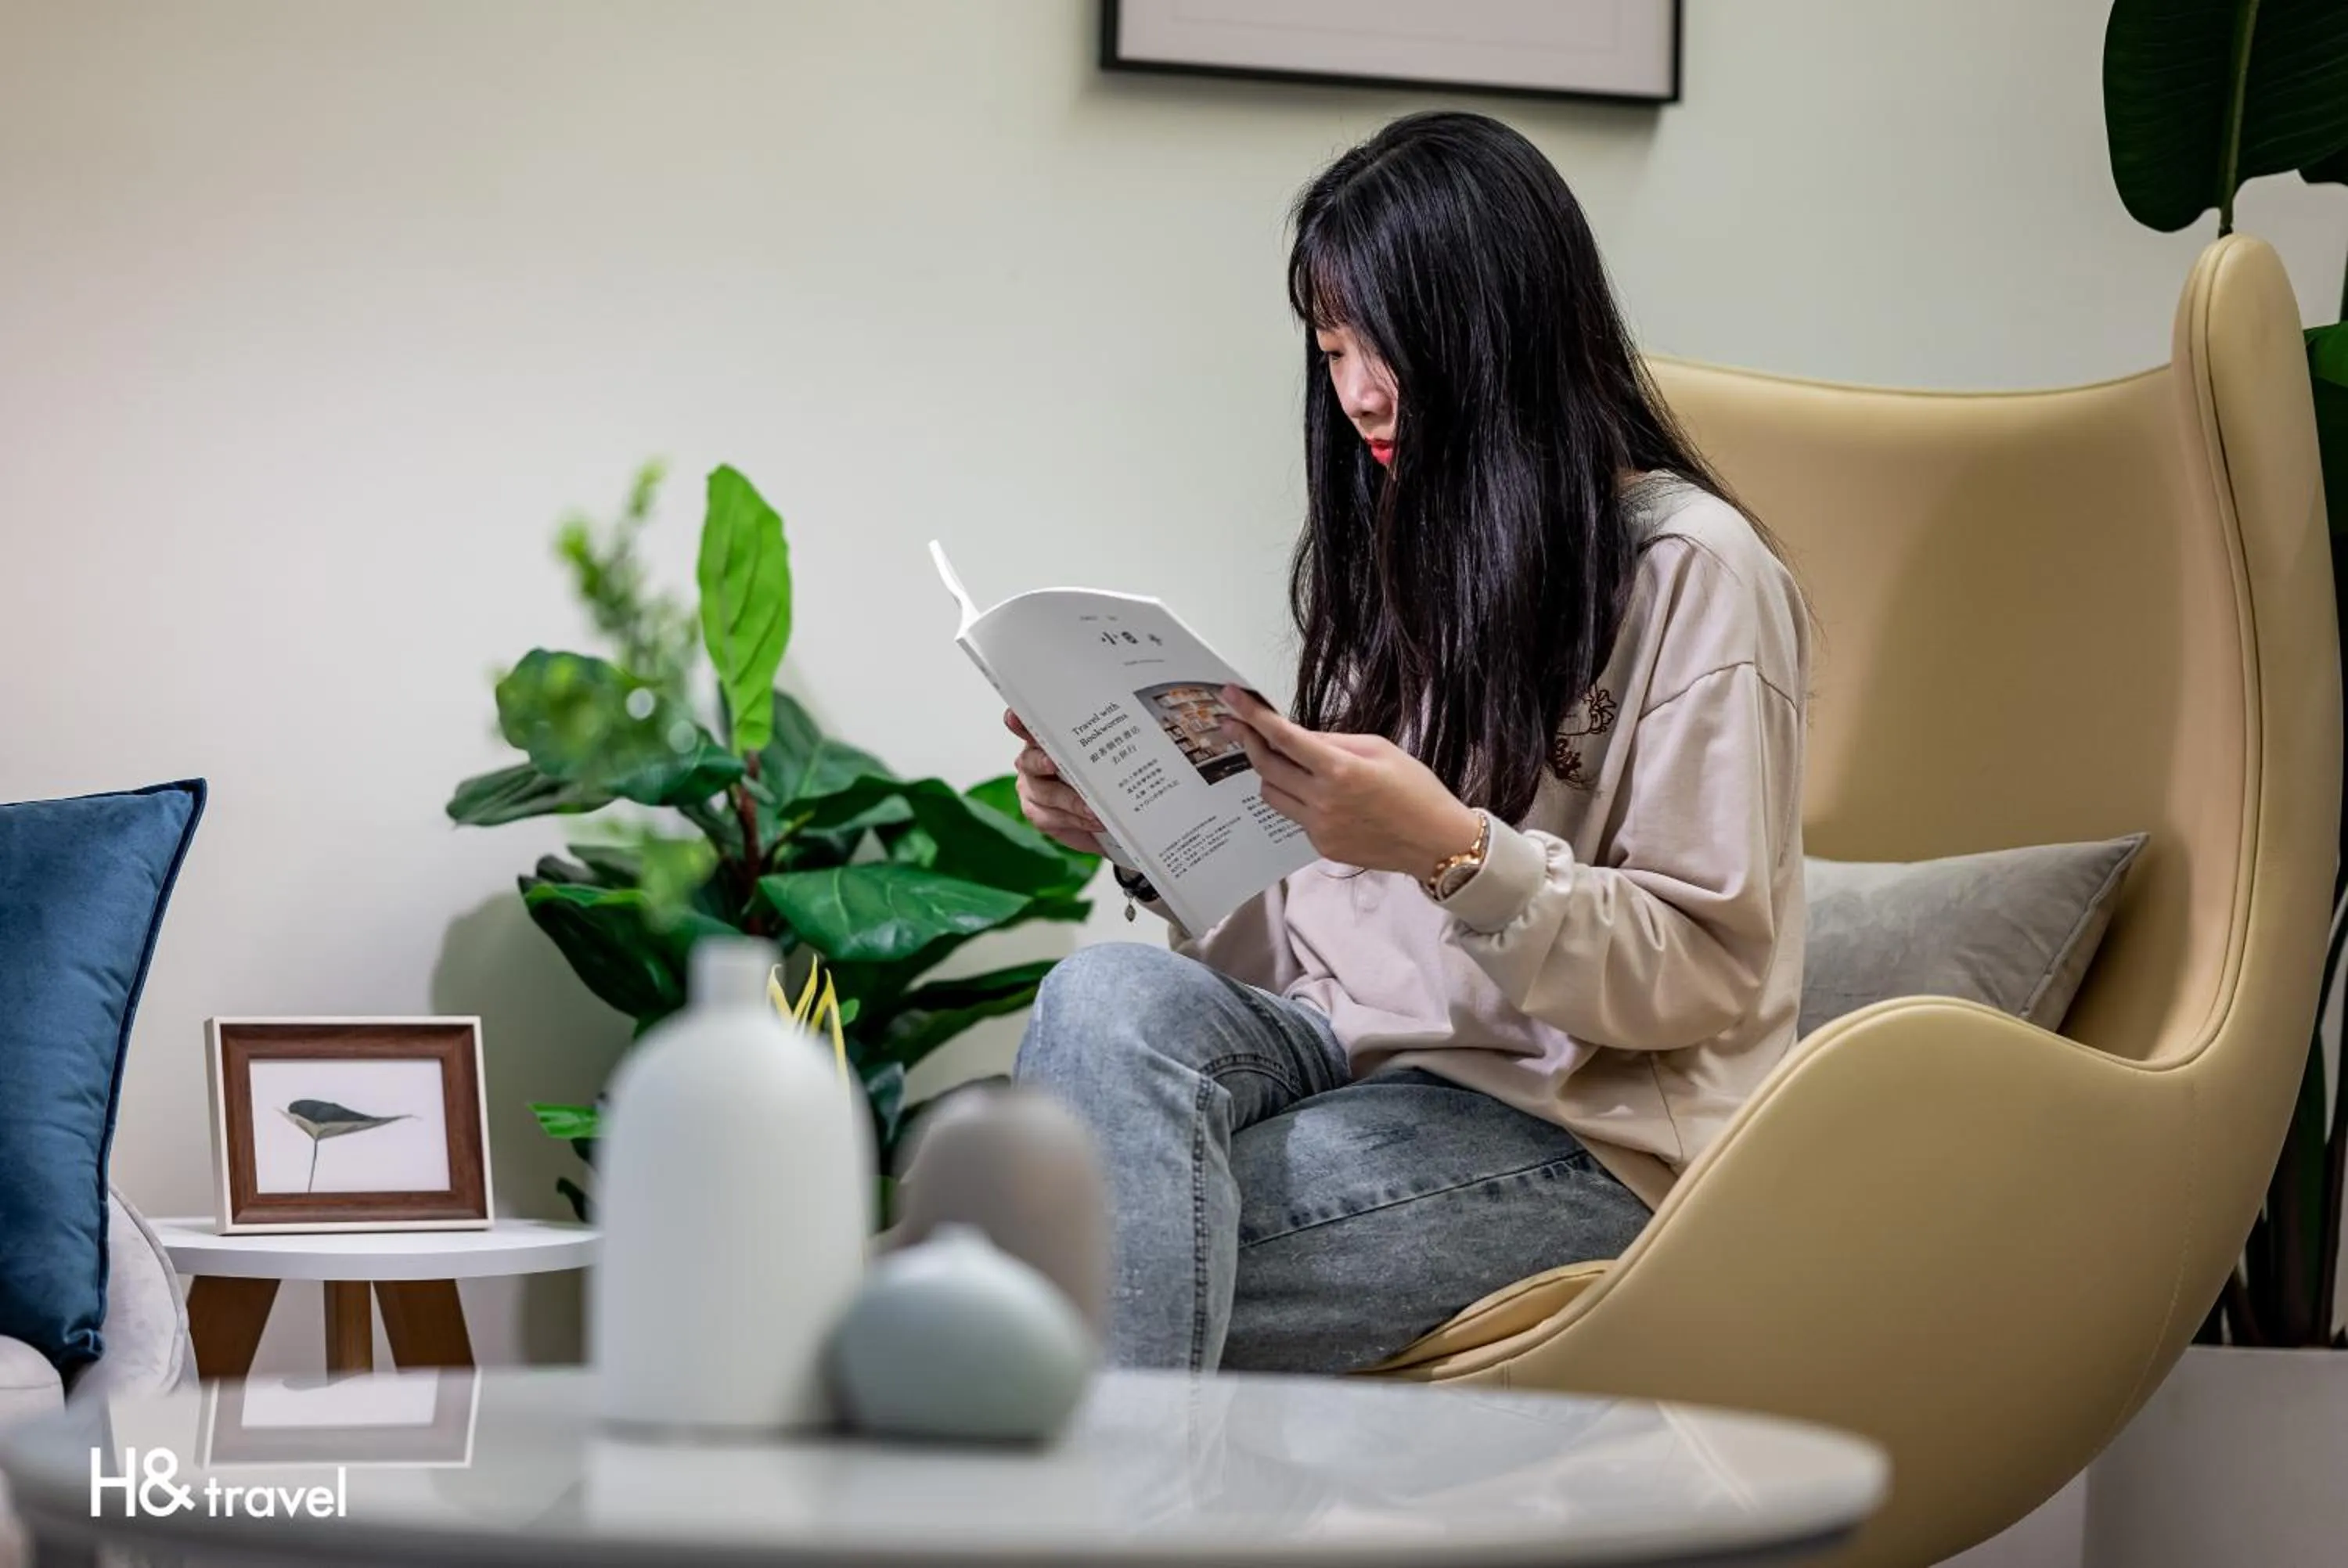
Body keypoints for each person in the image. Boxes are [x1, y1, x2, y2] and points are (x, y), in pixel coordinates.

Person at [1007, 110, 1811, 1376]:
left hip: (1582, 1131)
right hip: (1349, 1057)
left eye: (1390, 345)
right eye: (1333, 350)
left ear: (1501, 334)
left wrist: (1456, 856)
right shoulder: (1416, 548)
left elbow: (1702, 976)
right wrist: (1146, 832)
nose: (1360, 392)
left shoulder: (1694, 573)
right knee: (1100, 995)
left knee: (1066, 1251)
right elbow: (1315, 956)